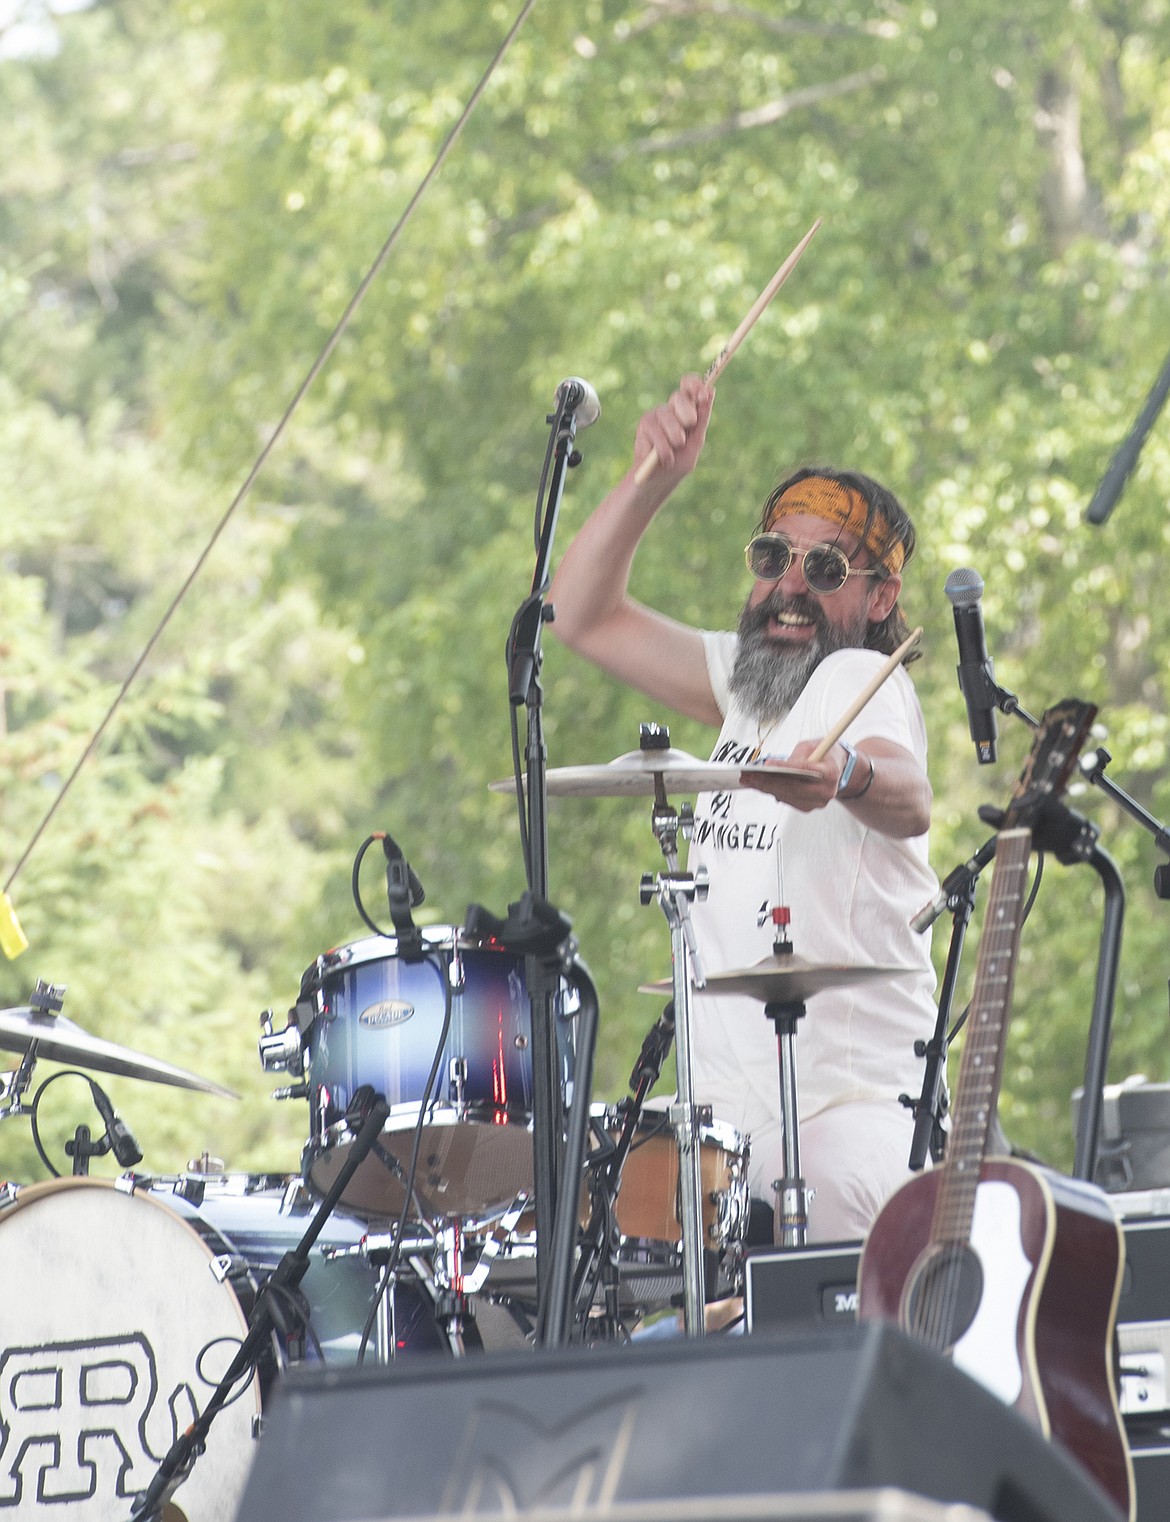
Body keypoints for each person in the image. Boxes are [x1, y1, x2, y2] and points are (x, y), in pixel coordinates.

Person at [548, 373, 939, 1245]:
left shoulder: (857, 678)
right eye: (774, 558)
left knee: (817, 1237)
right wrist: (654, 476)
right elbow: (577, 617)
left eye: (826, 567)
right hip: (731, 1131)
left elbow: (908, 793)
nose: (790, 586)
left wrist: (844, 773)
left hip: (850, 1116)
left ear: (879, 601)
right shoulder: (748, 691)